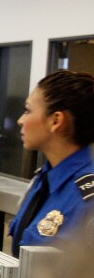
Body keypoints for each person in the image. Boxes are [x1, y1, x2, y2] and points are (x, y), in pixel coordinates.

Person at [8, 70, 94, 257]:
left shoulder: (87, 202)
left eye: (28, 110)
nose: (20, 120)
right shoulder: (43, 179)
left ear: (56, 120)